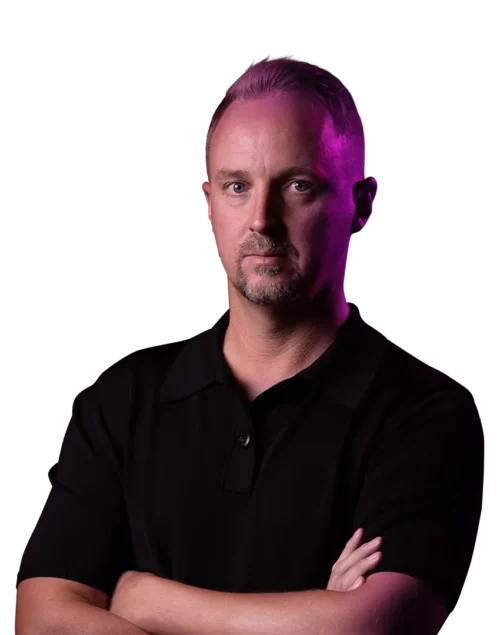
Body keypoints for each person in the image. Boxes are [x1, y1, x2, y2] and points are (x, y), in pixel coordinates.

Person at [15, 55, 483, 634]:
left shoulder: (422, 414)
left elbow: (378, 625)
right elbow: (42, 619)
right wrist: (308, 619)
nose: (262, 219)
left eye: (298, 185)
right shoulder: (121, 402)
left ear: (362, 205)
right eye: (237, 186)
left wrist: (148, 601)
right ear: (209, 203)